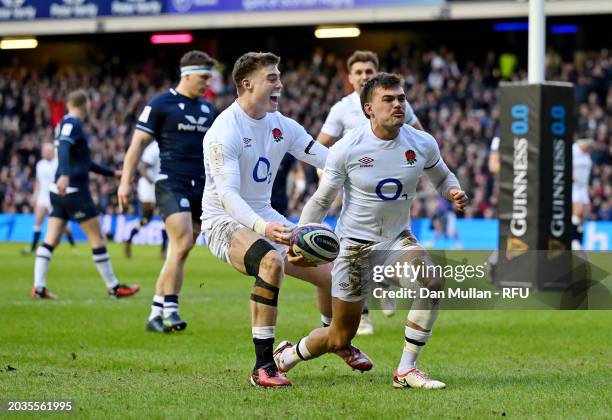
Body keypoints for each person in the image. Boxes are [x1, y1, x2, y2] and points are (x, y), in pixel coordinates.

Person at [274, 73, 468, 389]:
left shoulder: (422, 142)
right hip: (353, 248)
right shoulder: (346, 148)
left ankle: (406, 370)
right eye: (388, 100)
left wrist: (454, 192)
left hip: (396, 239)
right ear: (369, 108)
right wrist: (299, 239)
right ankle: (287, 356)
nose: (397, 105)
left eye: (401, 98)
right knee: (339, 335)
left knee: (430, 282)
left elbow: (443, 177)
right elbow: (321, 201)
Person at [201, 52, 372, 388]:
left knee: (334, 270)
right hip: (224, 222)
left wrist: (366, 171)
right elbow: (228, 197)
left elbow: (327, 158)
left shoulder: (283, 126)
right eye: (273, 78)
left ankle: (335, 337)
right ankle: (263, 366)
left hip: (266, 217)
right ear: (247, 84)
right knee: (270, 263)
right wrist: (263, 228)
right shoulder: (224, 131)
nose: (280, 84)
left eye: (279, 77)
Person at [318, 50, 424, 334]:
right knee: (355, 239)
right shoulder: (341, 109)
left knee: (389, 234)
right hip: (355, 181)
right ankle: (362, 311)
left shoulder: (392, 102)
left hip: (390, 182)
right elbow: (322, 144)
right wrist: (325, 173)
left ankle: (382, 279)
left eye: (369, 71)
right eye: (359, 72)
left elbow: (418, 132)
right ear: (350, 77)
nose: (364, 75)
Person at [118, 50, 216, 333]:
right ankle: (171, 309)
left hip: (202, 186)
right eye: (203, 77)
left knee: (179, 250)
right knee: (183, 241)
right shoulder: (161, 104)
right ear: (187, 75)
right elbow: (136, 144)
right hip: (171, 182)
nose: (207, 83)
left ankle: (156, 312)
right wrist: (125, 181)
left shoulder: (208, 109)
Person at [32, 89, 140, 300]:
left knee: (51, 239)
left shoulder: (64, 123)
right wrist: (64, 174)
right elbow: (63, 148)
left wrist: (112, 173)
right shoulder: (73, 124)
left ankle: (39, 287)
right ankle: (114, 287)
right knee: (97, 238)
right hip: (74, 191)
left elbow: (83, 162)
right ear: (87, 104)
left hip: (59, 192)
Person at [23, 142, 75, 255]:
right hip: (42, 196)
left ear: (52, 151)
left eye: (47, 151)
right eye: (44, 151)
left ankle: (73, 246)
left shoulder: (58, 163)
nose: (44, 153)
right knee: (38, 222)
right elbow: (38, 181)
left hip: (55, 197)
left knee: (64, 225)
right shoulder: (40, 164)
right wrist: (35, 196)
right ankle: (33, 248)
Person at [123, 141, 168, 259]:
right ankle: (163, 250)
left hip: (159, 185)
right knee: (164, 215)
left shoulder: (165, 144)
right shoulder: (154, 148)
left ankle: (129, 239)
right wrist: (153, 182)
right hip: (150, 186)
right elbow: (142, 167)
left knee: (148, 219)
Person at [571, 138, 593, 250]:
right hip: (574, 187)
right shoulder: (573, 151)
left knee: (584, 214)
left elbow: (587, 172)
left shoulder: (587, 155)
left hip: (583, 187)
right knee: (577, 210)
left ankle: (578, 240)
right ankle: (573, 239)